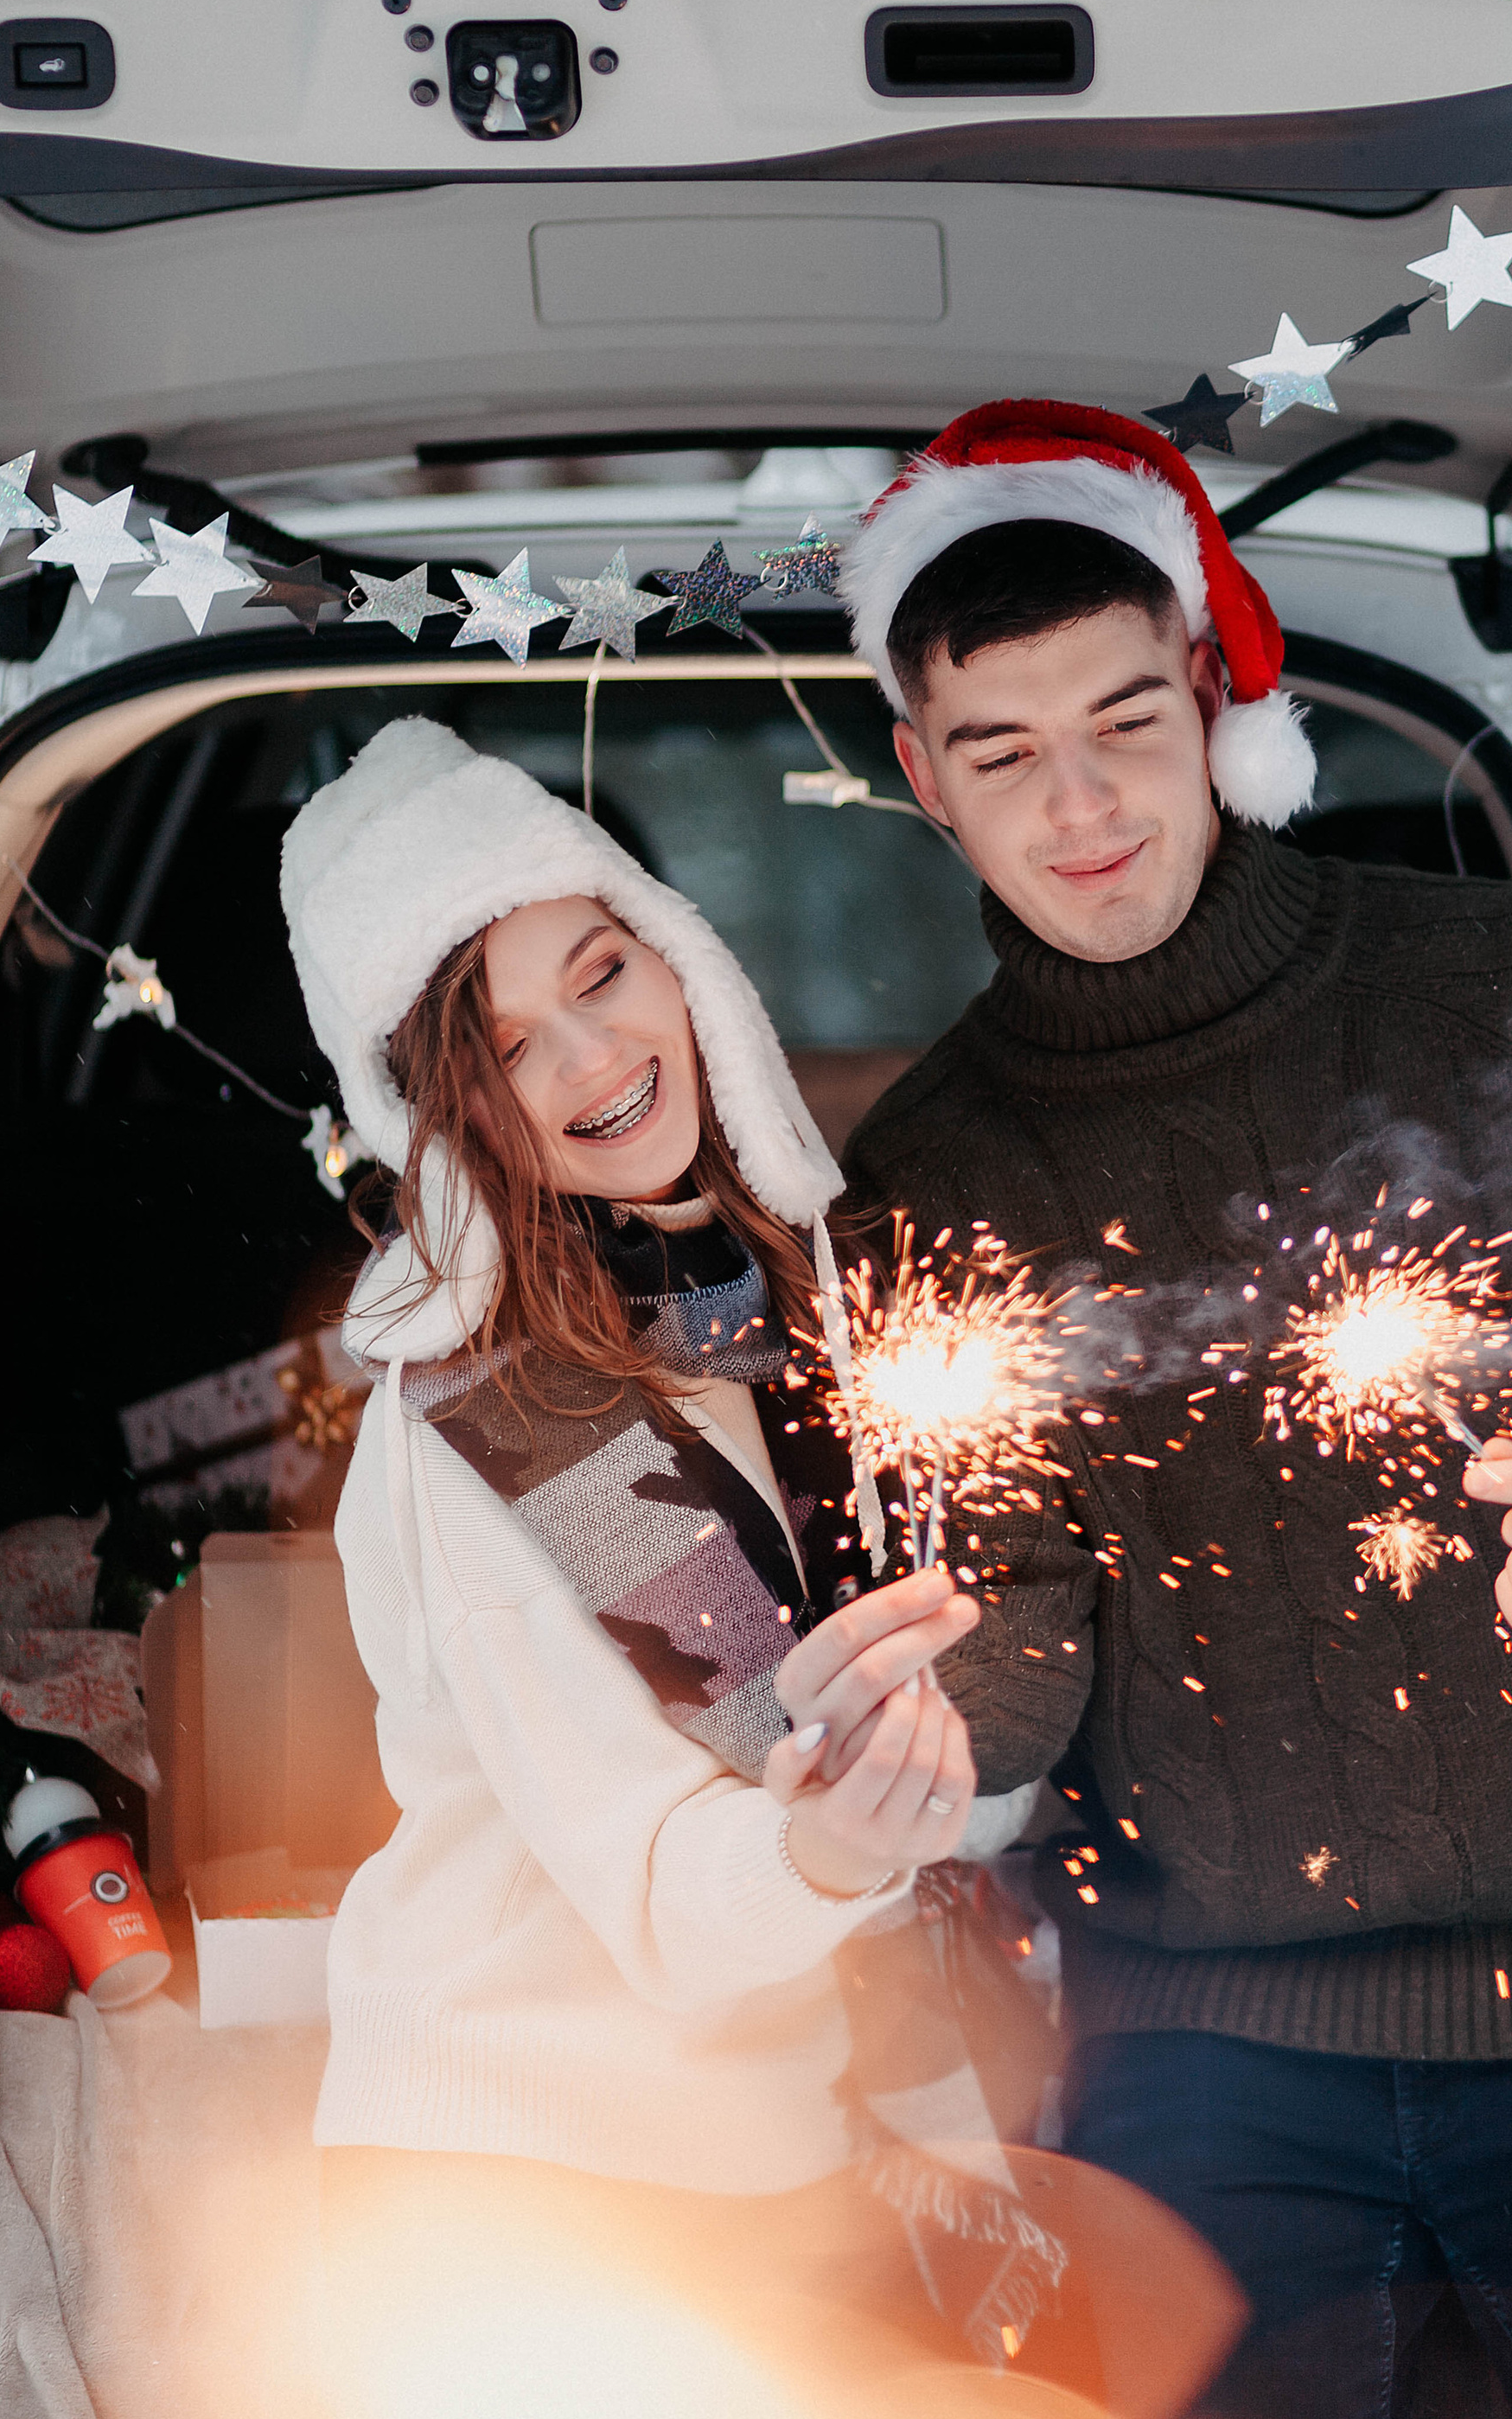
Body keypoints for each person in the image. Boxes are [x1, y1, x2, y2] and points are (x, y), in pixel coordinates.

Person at [837, 400, 1512, 2419]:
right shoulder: (933, 1165)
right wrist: (919, 1744)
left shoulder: (1493, 978)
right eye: (1003, 753)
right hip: (1204, 2046)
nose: (1083, 799)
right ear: (924, 786)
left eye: (1124, 716)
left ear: (1211, 697)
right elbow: (1021, 1610)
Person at [278, 716, 1035, 2337]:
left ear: (680, 953)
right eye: (507, 1049)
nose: (594, 1061)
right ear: (444, 1117)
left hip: (772, 2156)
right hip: (525, 2185)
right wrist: (835, 1838)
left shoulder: (781, 1300)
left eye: (602, 974)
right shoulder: (496, 1408)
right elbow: (667, 1900)